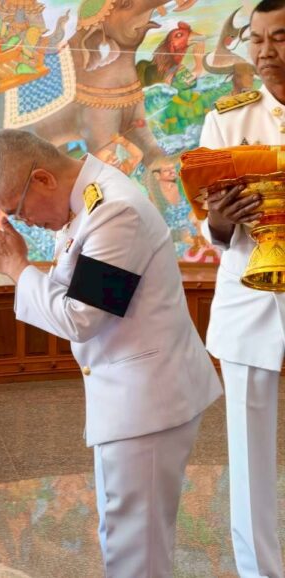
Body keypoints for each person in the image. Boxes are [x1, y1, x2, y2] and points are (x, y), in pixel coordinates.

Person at [0, 129, 222, 577]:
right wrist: (18, 267)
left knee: (136, 547)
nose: (25, 223)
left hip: (148, 402)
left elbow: (82, 317)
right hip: (133, 394)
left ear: (42, 179)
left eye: (18, 210)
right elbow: (72, 294)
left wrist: (16, 267)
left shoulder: (115, 211)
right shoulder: (87, 203)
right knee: (125, 534)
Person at [197, 1, 285, 575]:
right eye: (256, 39)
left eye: (280, 38)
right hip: (251, 301)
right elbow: (212, 228)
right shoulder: (227, 122)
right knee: (250, 459)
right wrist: (220, 220)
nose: (265, 52)